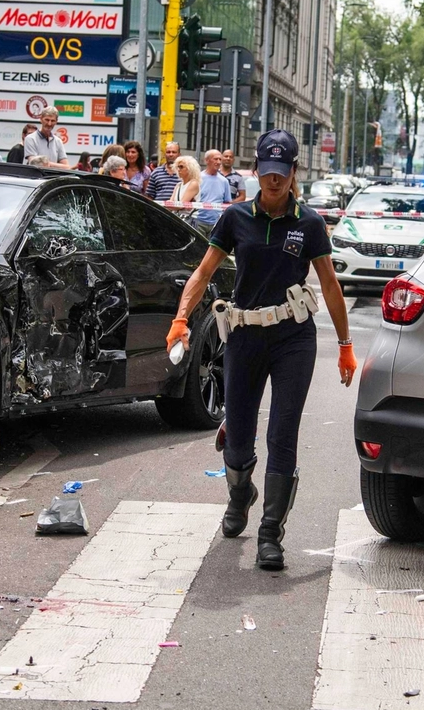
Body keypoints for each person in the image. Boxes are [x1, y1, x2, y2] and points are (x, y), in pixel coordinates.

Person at [166, 129, 355, 571]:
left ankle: (271, 534)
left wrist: (346, 345)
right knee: (238, 436)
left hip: (293, 339)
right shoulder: (235, 217)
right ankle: (239, 494)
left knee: (282, 435)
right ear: (256, 172)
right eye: (266, 173)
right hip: (245, 337)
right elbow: (203, 271)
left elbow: (328, 283)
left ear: (294, 172)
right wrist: (181, 317)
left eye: (281, 174)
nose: (273, 182)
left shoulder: (309, 223)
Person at [196, 149, 234, 225]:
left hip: (216, 223)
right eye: (215, 159)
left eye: (220, 159)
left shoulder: (224, 181)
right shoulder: (197, 178)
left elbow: (227, 203)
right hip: (198, 221)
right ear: (207, 160)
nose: (219, 162)